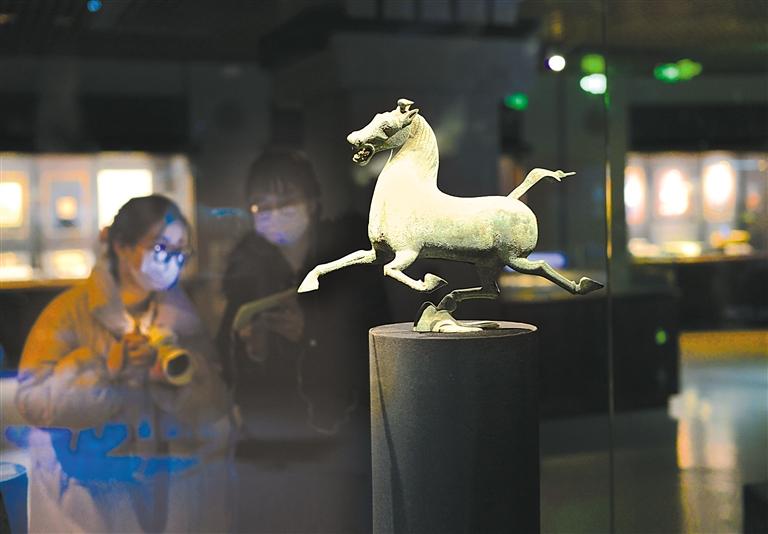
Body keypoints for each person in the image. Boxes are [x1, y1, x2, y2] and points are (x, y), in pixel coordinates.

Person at [16, 195, 234, 533]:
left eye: (182, 251)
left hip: (168, 487)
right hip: (89, 496)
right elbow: (32, 401)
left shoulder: (183, 317)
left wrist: (177, 379)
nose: (172, 261)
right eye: (161, 247)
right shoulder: (69, 313)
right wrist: (105, 371)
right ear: (121, 246)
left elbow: (217, 404)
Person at [217, 148, 390, 532]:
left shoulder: (348, 265)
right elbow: (226, 364)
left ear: (312, 202)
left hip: (339, 445)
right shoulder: (245, 272)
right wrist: (253, 350)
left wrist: (312, 334)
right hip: (270, 447)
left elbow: (378, 347)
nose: (275, 213)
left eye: (286, 201)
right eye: (262, 206)